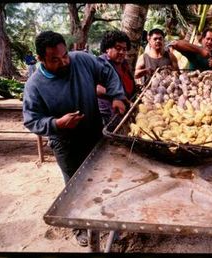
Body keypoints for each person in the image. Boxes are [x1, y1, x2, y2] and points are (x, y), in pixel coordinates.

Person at [22, 31, 126, 247]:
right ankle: (80, 228)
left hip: (94, 130)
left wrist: (116, 95)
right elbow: (31, 120)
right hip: (65, 143)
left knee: (101, 177)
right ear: (41, 58)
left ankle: (102, 216)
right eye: (55, 60)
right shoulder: (34, 85)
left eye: (64, 56)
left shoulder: (81, 60)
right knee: (75, 185)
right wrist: (56, 124)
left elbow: (106, 71)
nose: (63, 62)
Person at [97, 30, 137, 125]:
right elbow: (95, 88)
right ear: (107, 48)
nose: (122, 52)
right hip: (108, 113)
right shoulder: (101, 64)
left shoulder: (124, 63)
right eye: (118, 48)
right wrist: (117, 96)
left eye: (124, 49)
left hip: (124, 111)